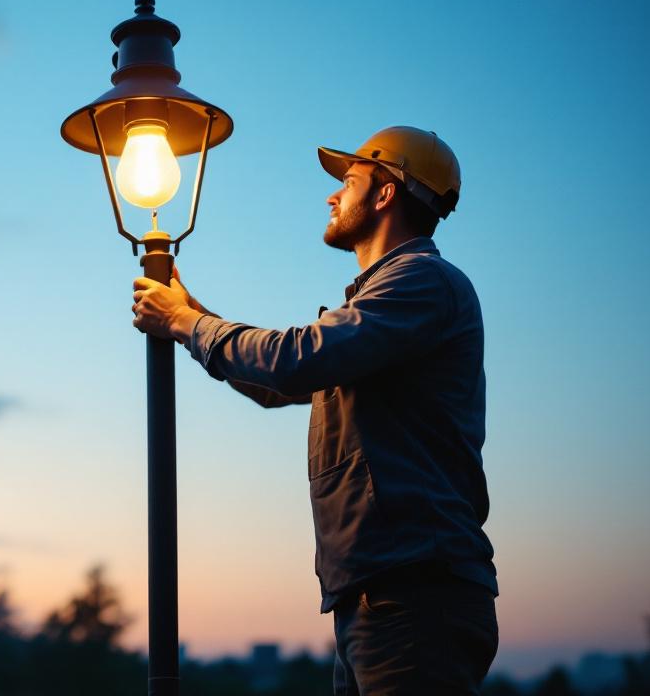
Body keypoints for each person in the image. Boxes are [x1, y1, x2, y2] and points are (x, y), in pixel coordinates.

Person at [131, 126, 498, 695]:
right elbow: (278, 384)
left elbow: (295, 360)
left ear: (385, 195)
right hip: (380, 595)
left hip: (415, 595)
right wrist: (192, 314)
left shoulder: (422, 283)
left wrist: (184, 322)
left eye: (348, 181)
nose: (331, 196)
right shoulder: (382, 310)